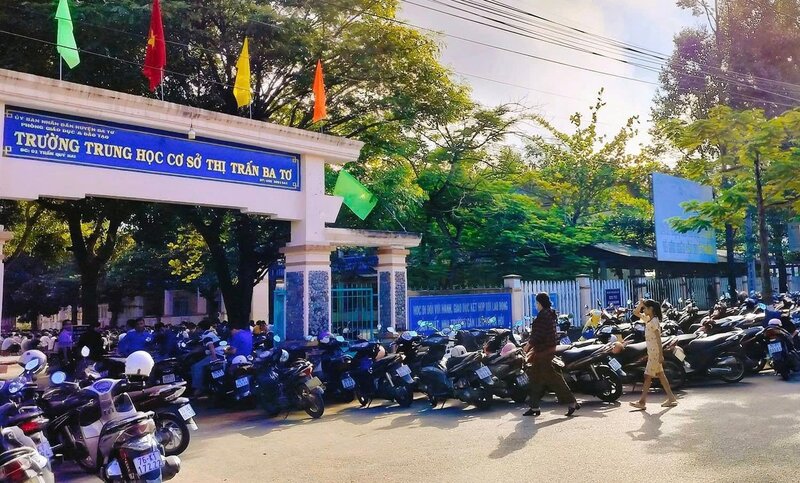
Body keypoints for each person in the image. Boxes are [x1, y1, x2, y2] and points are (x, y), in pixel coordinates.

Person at [523, 292, 580, 417]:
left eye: (536, 303)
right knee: (535, 378)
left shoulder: (544, 316)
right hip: (545, 350)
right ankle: (534, 407)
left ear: (540, 303)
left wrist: (528, 345)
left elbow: (539, 335)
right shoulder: (550, 314)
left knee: (553, 378)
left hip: (543, 351)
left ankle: (572, 402)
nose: (536, 305)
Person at [629, 299, 678, 410]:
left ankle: (642, 402)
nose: (643, 310)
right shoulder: (649, 320)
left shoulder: (654, 322)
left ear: (651, 309)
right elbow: (635, 313)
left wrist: (661, 354)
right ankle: (671, 398)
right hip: (652, 352)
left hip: (655, 353)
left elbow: (658, 339)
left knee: (647, 376)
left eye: (645, 308)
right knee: (661, 375)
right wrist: (641, 304)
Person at [191, 320, 225, 396]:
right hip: (221, 354)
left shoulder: (206, 335)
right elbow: (204, 347)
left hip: (216, 355)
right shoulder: (210, 333)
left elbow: (211, 346)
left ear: (200, 328)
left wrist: (214, 358)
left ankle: (199, 388)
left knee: (196, 367)